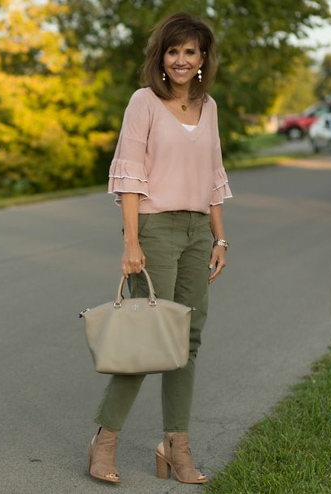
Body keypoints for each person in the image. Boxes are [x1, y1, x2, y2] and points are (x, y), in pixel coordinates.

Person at [86, 12, 232, 485]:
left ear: (203, 57)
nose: (182, 60)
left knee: (187, 343)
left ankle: (175, 447)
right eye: (174, 51)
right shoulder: (143, 102)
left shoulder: (208, 107)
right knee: (146, 339)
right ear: (161, 57)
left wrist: (220, 236)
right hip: (153, 230)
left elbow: (213, 176)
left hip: (196, 234)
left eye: (191, 51)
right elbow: (130, 173)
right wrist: (131, 241)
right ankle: (104, 442)